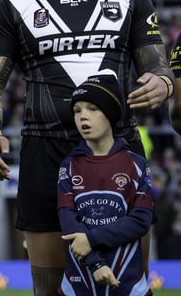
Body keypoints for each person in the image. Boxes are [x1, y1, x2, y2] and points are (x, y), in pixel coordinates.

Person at [0, 0, 173, 296]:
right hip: (43, 152)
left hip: (118, 149)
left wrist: (163, 84)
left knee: (130, 285)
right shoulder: (13, 6)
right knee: (48, 290)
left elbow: (158, 66)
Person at [58, 73, 154, 295]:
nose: (83, 117)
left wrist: (91, 240)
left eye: (92, 108)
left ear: (110, 113)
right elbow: (68, 221)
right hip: (78, 282)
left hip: (128, 285)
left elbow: (141, 221)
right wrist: (96, 263)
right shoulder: (68, 166)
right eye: (77, 111)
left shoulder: (137, 164)